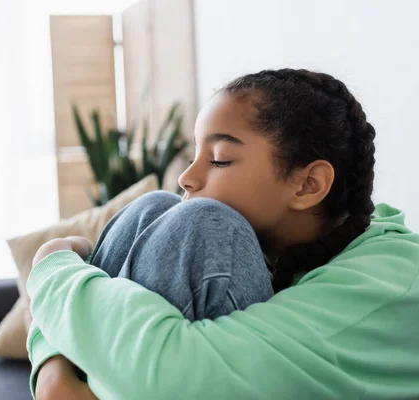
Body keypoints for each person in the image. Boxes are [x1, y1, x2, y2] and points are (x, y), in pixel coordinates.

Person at [27, 69, 419, 399]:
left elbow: (177, 371)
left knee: (206, 221)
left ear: (308, 184)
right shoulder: (293, 246)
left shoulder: (389, 281)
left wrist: (53, 266)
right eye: (194, 156)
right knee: (155, 206)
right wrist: (51, 367)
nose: (187, 177)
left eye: (219, 160)